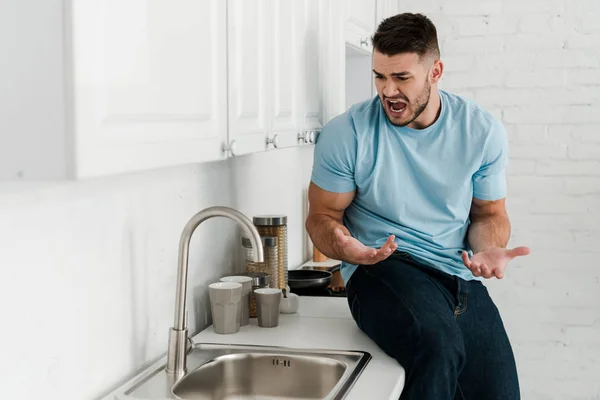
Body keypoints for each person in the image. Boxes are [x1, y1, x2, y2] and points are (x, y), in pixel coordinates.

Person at [305, 12, 531, 400]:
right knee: (438, 346)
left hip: (455, 274)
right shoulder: (347, 133)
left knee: (501, 394)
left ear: (435, 71)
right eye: (379, 76)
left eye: (402, 78)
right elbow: (322, 217)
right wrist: (346, 247)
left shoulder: (481, 132)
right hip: (383, 268)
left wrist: (487, 248)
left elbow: (488, 216)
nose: (388, 91)